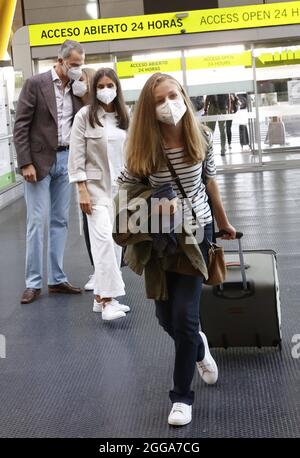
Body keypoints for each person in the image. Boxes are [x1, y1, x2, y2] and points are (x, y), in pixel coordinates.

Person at [117, 73, 236, 426]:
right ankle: (198, 346)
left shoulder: (201, 135)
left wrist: (223, 221)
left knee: (184, 316)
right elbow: (124, 193)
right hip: (161, 241)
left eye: (173, 95)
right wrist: (155, 202)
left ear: (183, 95)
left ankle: (181, 396)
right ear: (149, 110)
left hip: (197, 235)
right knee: (166, 319)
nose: (169, 104)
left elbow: (209, 180)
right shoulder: (142, 148)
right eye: (159, 100)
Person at [14, 39, 85, 304]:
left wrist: (83, 88)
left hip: (66, 160)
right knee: (36, 222)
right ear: (61, 61)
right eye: (74, 64)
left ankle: (56, 279)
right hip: (39, 161)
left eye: (80, 64)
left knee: (60, 221)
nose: (77, 68)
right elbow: (21, 125)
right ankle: (33, 283)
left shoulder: (77, 88)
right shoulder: (36, 84)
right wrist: (25, 163)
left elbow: (85, 119)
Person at [68, 68, 130, 321]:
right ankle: (107, 302)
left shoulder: (125, 117)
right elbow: (76, 154)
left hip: (121, 189)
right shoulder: (85, 115)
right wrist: (81, 189)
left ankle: (101, 298)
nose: (105, 90)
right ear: (94, 90)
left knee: (115, 243)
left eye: (109, 85)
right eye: (101, 86)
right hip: (93, 189)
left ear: (117, 87)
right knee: (103, 240)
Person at [72, 67, 97, 291]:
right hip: (87, 179)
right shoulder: (77, 110)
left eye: (81, 80)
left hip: (108, 179)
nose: (77, 84)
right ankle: (98, 270)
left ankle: (108, 270)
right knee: (90, 228)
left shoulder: (106, 111)